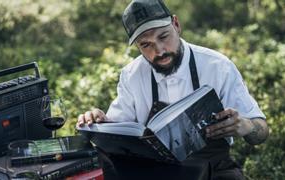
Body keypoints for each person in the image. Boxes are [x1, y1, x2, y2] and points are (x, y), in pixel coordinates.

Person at [77, 0, 269, 179]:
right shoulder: (131, 75)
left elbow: (261, 133)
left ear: (176, 24)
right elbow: (118, 134)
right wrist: (99, 122)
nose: (159, 51)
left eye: (163, 36)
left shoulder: (217, 66)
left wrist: (245, 125)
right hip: (156, 172)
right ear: (137, 46)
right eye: (146, 45)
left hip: (214, 170)